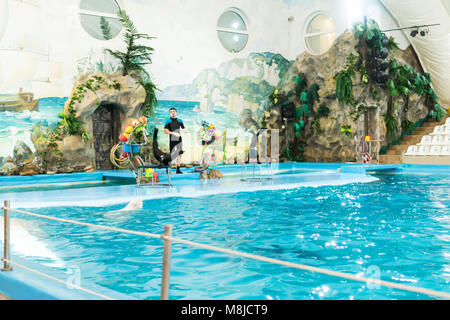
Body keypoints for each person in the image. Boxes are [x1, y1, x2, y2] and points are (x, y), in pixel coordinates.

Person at [164, 107, 189, 174]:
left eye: (174, 111)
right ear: (170, 113)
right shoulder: (168, 121)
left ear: (176, 112)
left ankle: (178, 169)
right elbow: (165, 131)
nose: (173, 112)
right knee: (172, 155)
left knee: (179, 154)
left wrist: (186, 131)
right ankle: (167, 168)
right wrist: (173, 133)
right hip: (172, 139)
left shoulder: (180, 120)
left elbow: (183, 128)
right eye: (171, 111)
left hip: (179, 139)